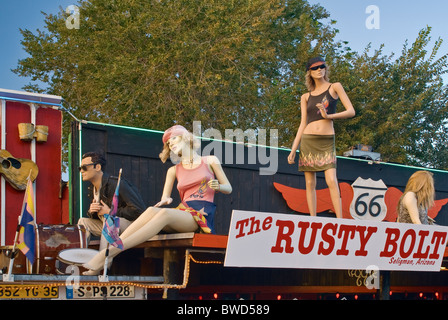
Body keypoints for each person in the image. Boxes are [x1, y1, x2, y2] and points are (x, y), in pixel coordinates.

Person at [82, 125, 232, 274]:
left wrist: (218, 186)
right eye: (168, 143)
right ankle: (110, 250)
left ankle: (107, 254)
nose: (171, 143)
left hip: (201, 215)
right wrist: (165, 200)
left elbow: (228, 188)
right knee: (152, 210)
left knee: (164, 214)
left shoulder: (210, 160)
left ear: (185, 138)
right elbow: (164, 197)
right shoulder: (173, 170)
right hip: (183, 211)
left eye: (174, 138)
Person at [288, 56, 355, 218]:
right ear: (309, 72)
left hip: (326, 141)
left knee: (331, 179)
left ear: (325, 68)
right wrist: (293, 149)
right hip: (308, 140)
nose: (319, 70)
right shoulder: (305, 96)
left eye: (322, 67)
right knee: (310, 183)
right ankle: (313, 219)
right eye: (315, 68)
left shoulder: (335, 87)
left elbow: (351, 111)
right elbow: (302, 123)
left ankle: (340, 220)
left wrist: (328, 116)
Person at [77, 152, 146, 250]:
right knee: (83, 222)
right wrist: (93, 212)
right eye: (80, 168)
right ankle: (80, 258)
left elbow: (139, 210)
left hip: (131, 226)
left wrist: (110, 211)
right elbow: (102, 215)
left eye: (84, 167)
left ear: (97, 167)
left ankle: (102, 262)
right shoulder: (92, 189)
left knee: (110, 221)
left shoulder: (117, 184)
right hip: (110, 226)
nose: (81, 171)